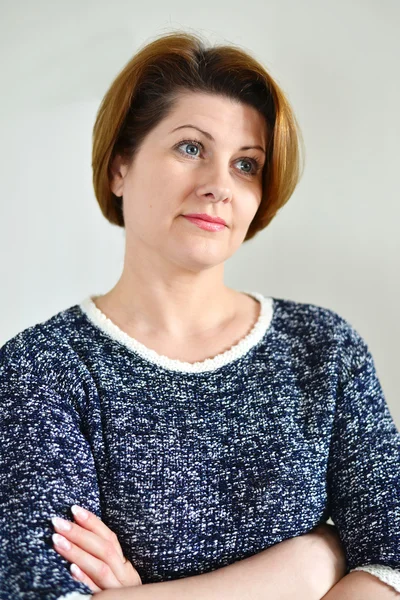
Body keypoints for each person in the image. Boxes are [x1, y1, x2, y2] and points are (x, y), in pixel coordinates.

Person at [0, 30, 399, 600]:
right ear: (120, 167)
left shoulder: (323, 348)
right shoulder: (40, 369)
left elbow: (392, 561)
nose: (218, 186)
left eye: (246, 164)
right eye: (191, 148)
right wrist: (307, 566)